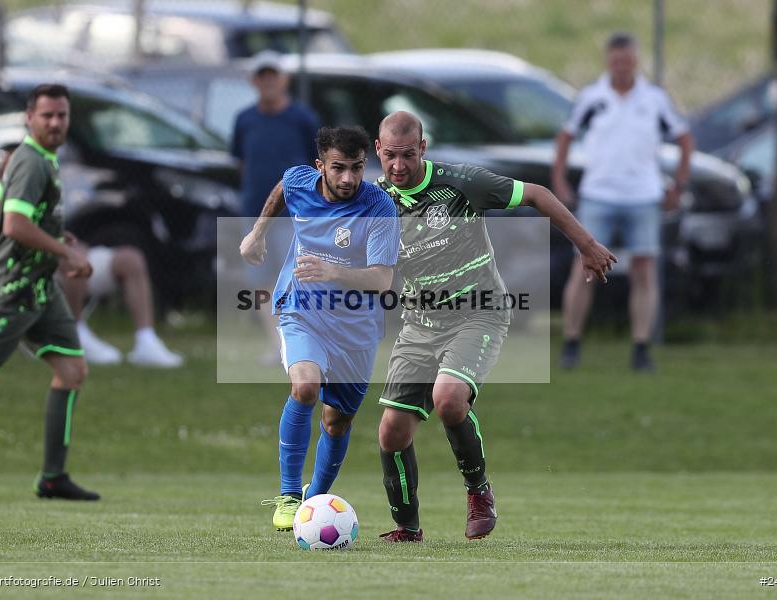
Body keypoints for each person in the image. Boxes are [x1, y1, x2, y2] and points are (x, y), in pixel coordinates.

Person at [373, 111, 616, 542]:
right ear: (378, 150)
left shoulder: (461, 183)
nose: (398, 166)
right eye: (390, 156)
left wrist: (587, 244)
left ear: (422, 149)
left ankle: (478, 491)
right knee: (392, 430)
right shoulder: (375, 201)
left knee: (448, 398)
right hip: (419, 323)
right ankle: (407, 528)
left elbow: (538, 195)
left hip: (478, 311)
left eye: (407, 155)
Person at [0, 84, 99, 500]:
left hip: (39, 289)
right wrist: (64, 251)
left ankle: (52, 478)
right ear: (30, 117)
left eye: (62, 115)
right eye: (47, 116)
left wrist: (52, 232)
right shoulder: (32, 162)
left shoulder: (39, 158)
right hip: (12, 288)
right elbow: (10, 225)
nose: (56, 123)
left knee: (71, 371)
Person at [240, 126, 400, 531]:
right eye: (338, 168)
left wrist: (332, 270)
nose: (348, 178)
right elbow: (282, 188)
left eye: (357, 168)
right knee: (305, 387)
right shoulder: (300, 181)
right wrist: (257, 233)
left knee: (336, 421)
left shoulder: (378, 207)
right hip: (302, 311)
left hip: (356, 329)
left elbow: (382, 280)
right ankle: (290, 495)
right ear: (320, 167)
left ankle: (315, 502)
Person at [553, 32, 694, 372]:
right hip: (598, 194)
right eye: (617, 61)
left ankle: (641, 346)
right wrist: (558, 179)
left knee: (644, 271)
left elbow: (685, 138)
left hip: (643, 196)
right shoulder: (591, 97)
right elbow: (566, 136)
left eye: (628, 61)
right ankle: (572, 342)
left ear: (636, 61)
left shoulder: (655, 99)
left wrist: (678, 184)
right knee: (583, 267)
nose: (622, 67)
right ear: (608, 61)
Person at [0, 144, 183, 368]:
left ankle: (146, 341)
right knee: (69, 260)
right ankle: (74, 333)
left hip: (64, 260)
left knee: (130, 259)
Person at [232, 50, 320, 366]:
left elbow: (317, 164)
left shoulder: (302, 118)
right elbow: (242, 162)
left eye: (273, 76)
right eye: (261, 76)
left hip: (295, 213)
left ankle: (305, 342)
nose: (267, 82)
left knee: (298, 278)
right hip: (255, 214)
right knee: (261, 281)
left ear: (283, 80)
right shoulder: (245, 120)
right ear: (254, 81)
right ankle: (280, 344)